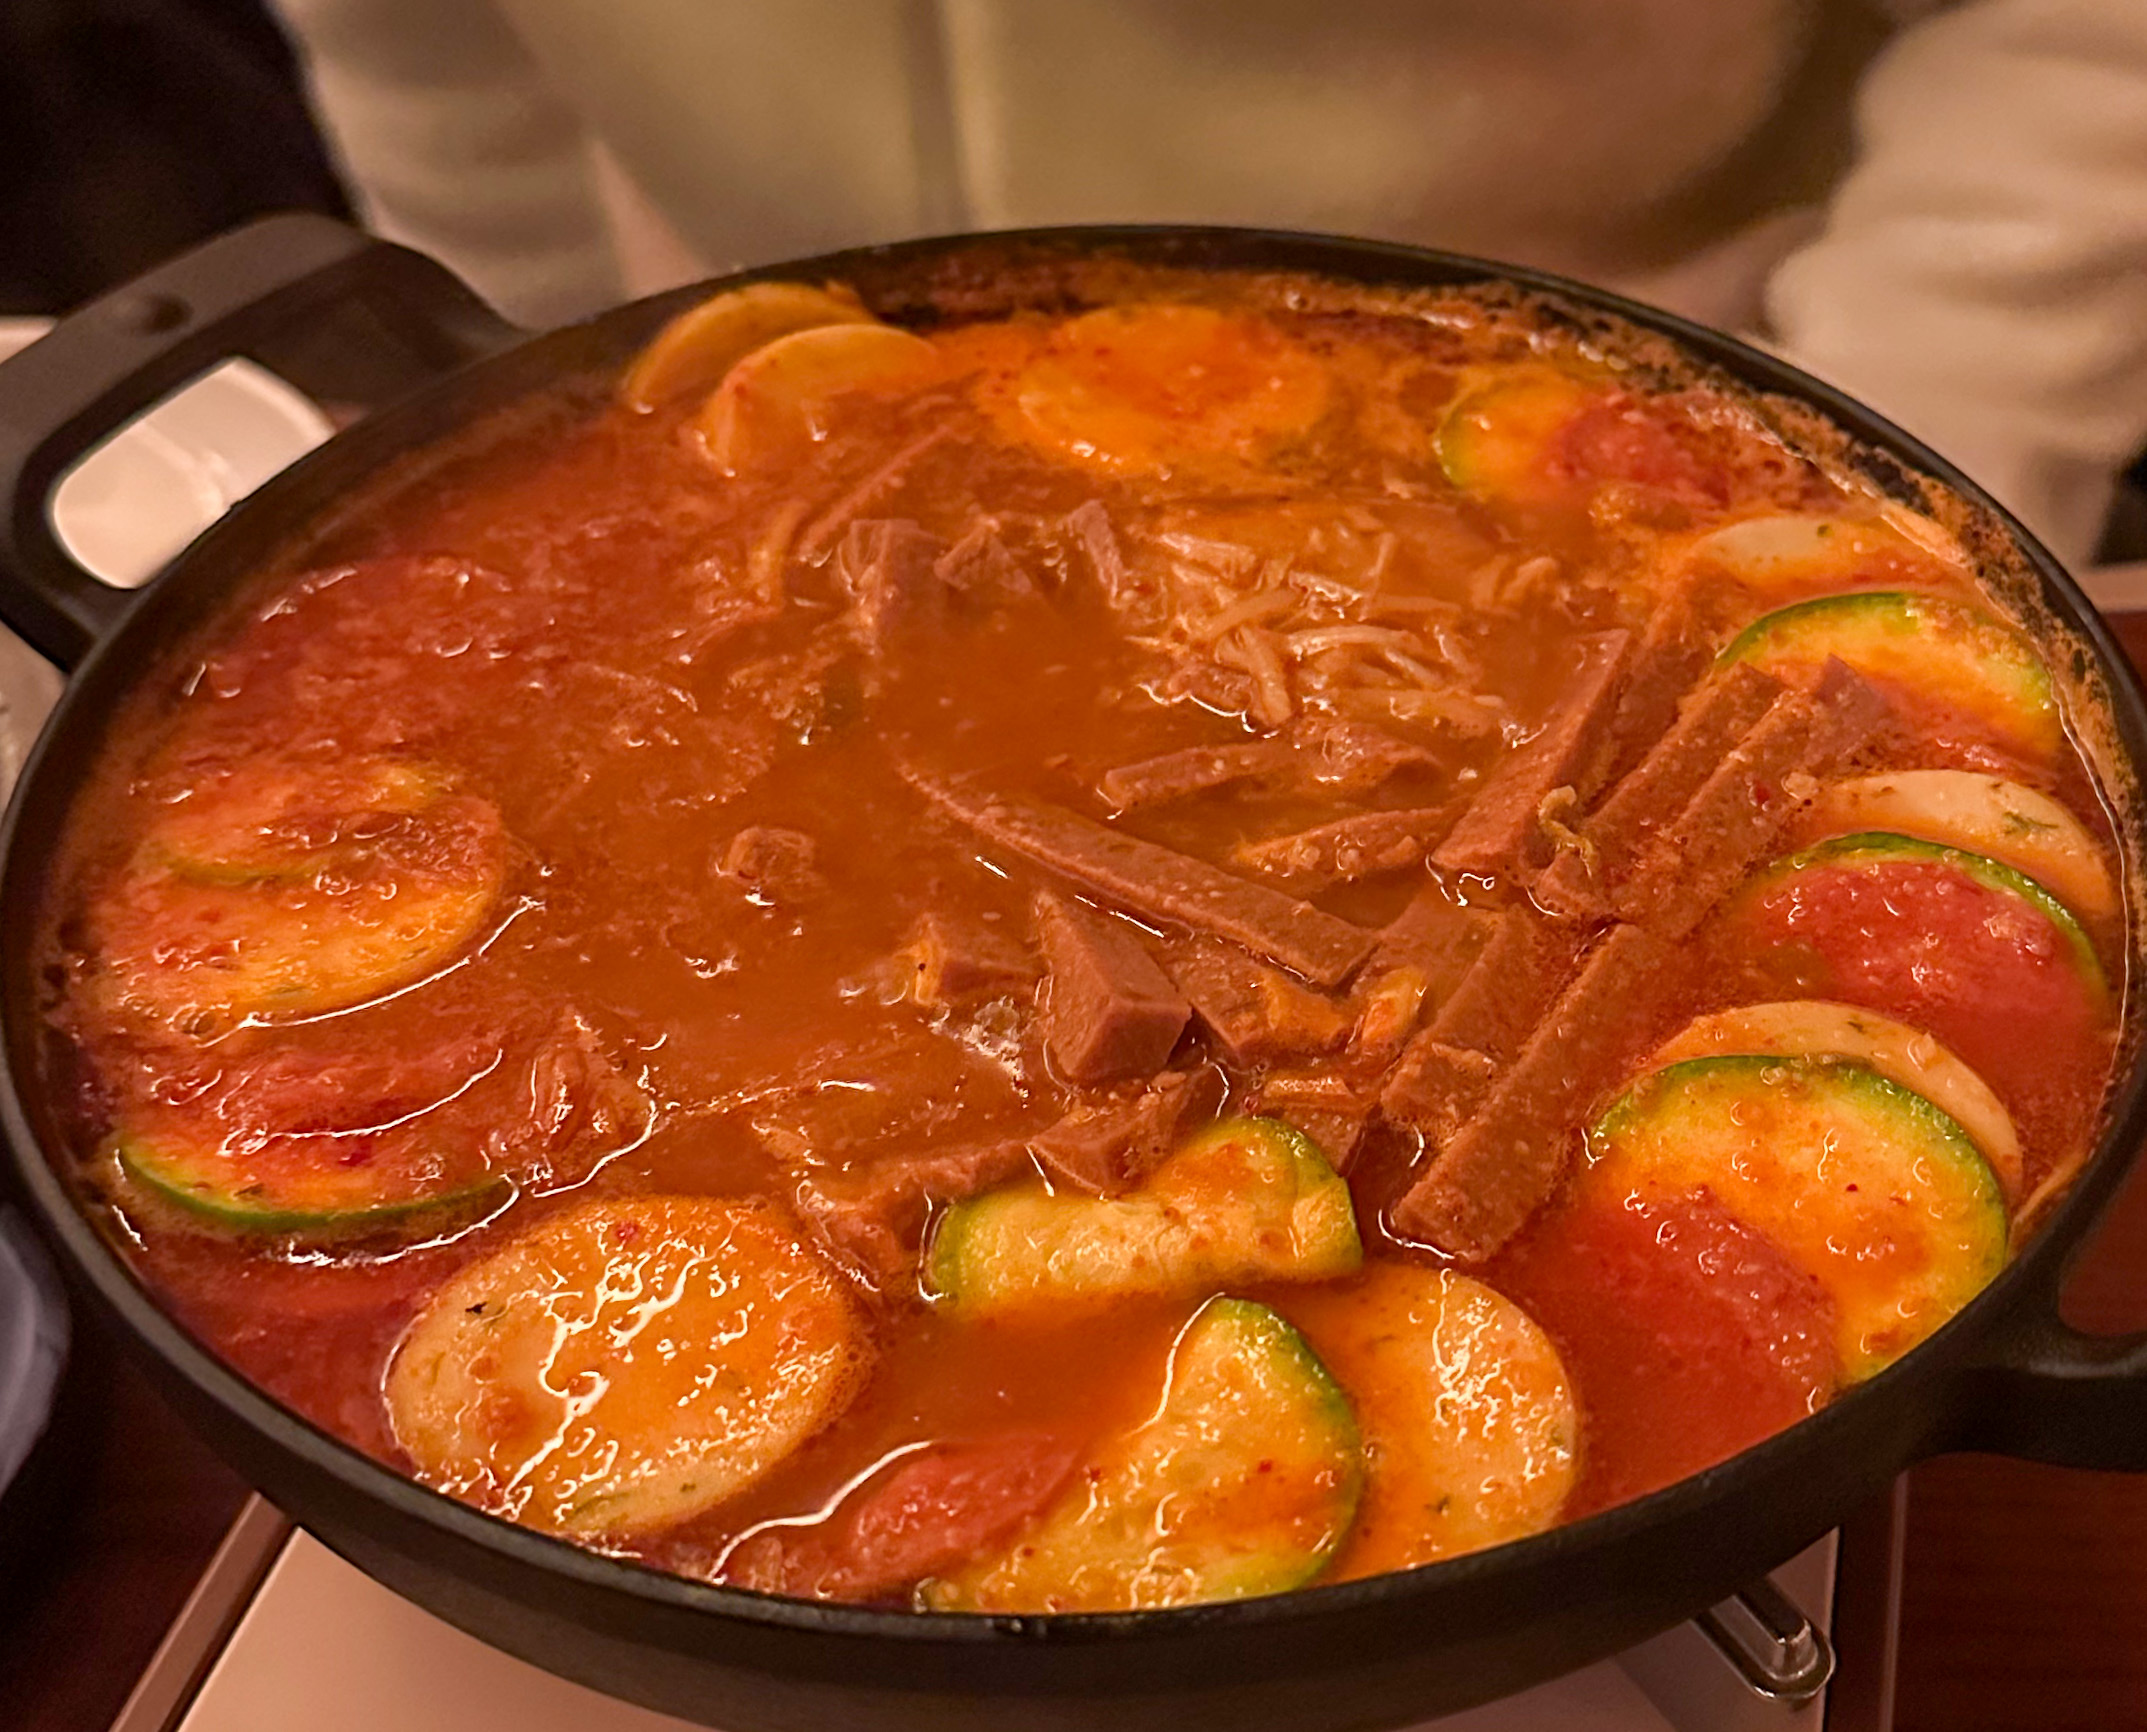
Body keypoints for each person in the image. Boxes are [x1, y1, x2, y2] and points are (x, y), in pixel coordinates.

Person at [272, 0, 2147, 570]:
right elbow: (429, 49)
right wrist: (549, 423)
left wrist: (1900, 482)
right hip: (752, 384)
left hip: (1634, 417)